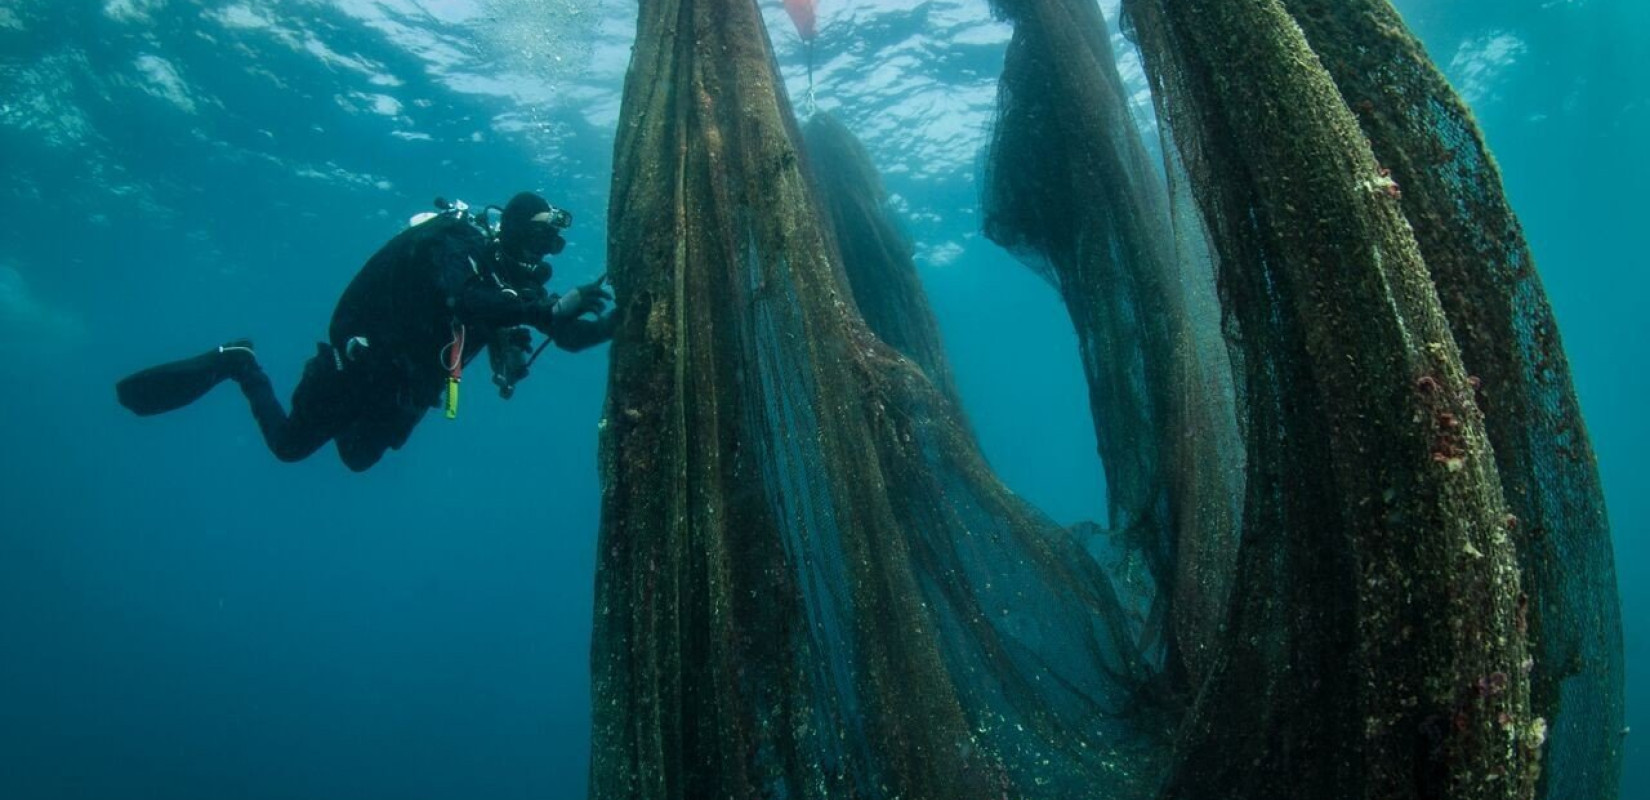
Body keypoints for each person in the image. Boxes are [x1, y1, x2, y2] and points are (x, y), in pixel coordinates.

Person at [116, 192, 617, 471]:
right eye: (537, 238)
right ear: (509, 229)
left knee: (358, 458)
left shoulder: (509, 283)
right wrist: (546, 309)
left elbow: (557, 334)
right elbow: (460, 299)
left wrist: (613, 322)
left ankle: (280, 381)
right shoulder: (457, 243)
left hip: (406, 388)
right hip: (363, 363)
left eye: (549, 246)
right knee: (290, 447)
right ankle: (240, 363)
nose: (541, 255)